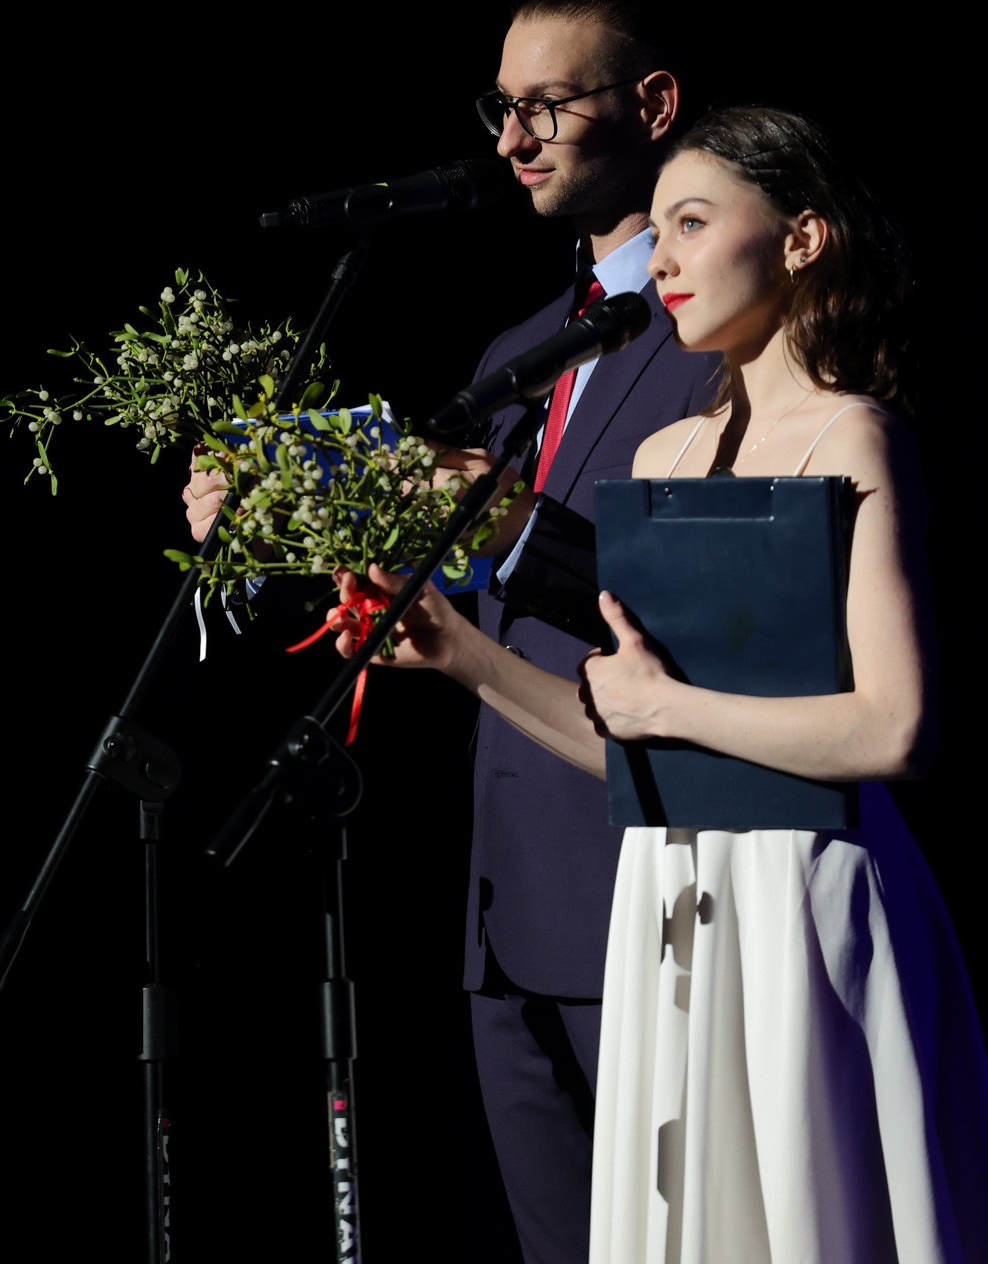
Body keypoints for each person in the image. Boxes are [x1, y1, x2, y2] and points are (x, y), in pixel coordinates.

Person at [326, 104, 988, 1263]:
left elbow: (895, 728)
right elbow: (631, 747)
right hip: (668, 900)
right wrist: (459, 653)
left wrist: (664, 707)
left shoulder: (851, 436)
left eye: (691, 223)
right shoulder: (661, 455)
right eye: (660, 227)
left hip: (799, 894)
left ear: (800, 239)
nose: (662, 258)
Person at [183, 0, 732, 1262]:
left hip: (650, 900)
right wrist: (272, 522)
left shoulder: (722, 337)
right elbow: (451, 590)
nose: (510, 141)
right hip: (507, 908)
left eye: (547, 105)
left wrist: (502, 526)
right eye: (500, 106)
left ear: (653, 105)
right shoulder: (518, 352)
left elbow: (699, 616)